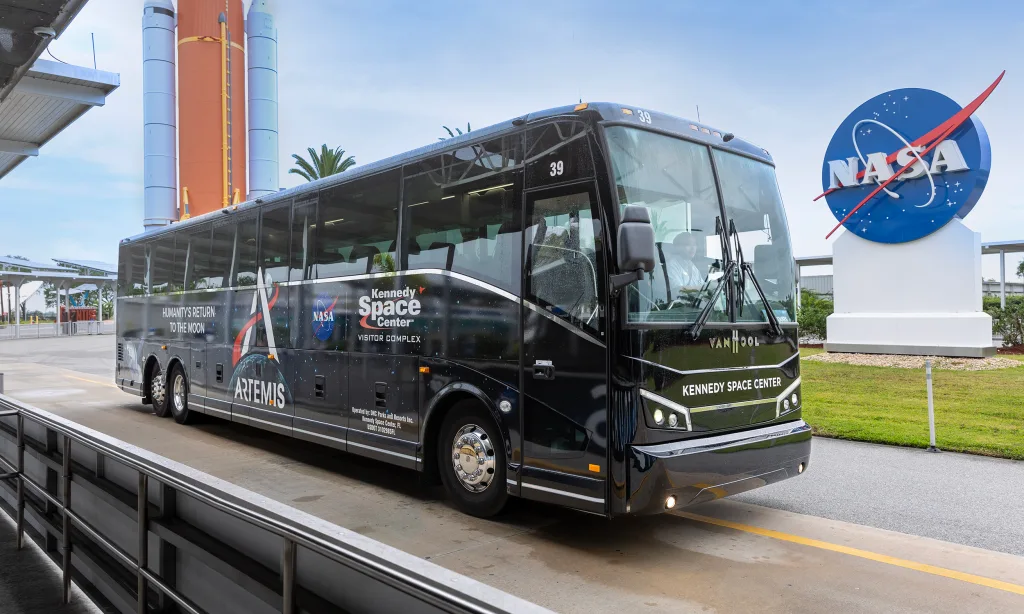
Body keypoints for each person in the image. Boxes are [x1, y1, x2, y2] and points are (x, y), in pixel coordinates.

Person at [665, 232, 705, 297]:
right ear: (678, 247)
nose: (692, 248)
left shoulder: (692, 265)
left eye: (694, 244)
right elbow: (678, 290)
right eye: (688, 244)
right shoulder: (671, 265)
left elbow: (702, 284)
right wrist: (701, 289)